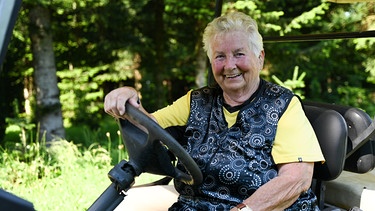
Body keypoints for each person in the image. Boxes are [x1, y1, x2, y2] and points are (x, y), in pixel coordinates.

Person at [104, 11, 325, 211]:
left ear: (260, 58)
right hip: (196, 205)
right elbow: (147, 125)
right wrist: (127, 96)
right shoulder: (197, 100)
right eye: (220, 56)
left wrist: (244, 210)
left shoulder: (283, 105)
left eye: (239, 54)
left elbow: (297, 179)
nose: (229, 65)